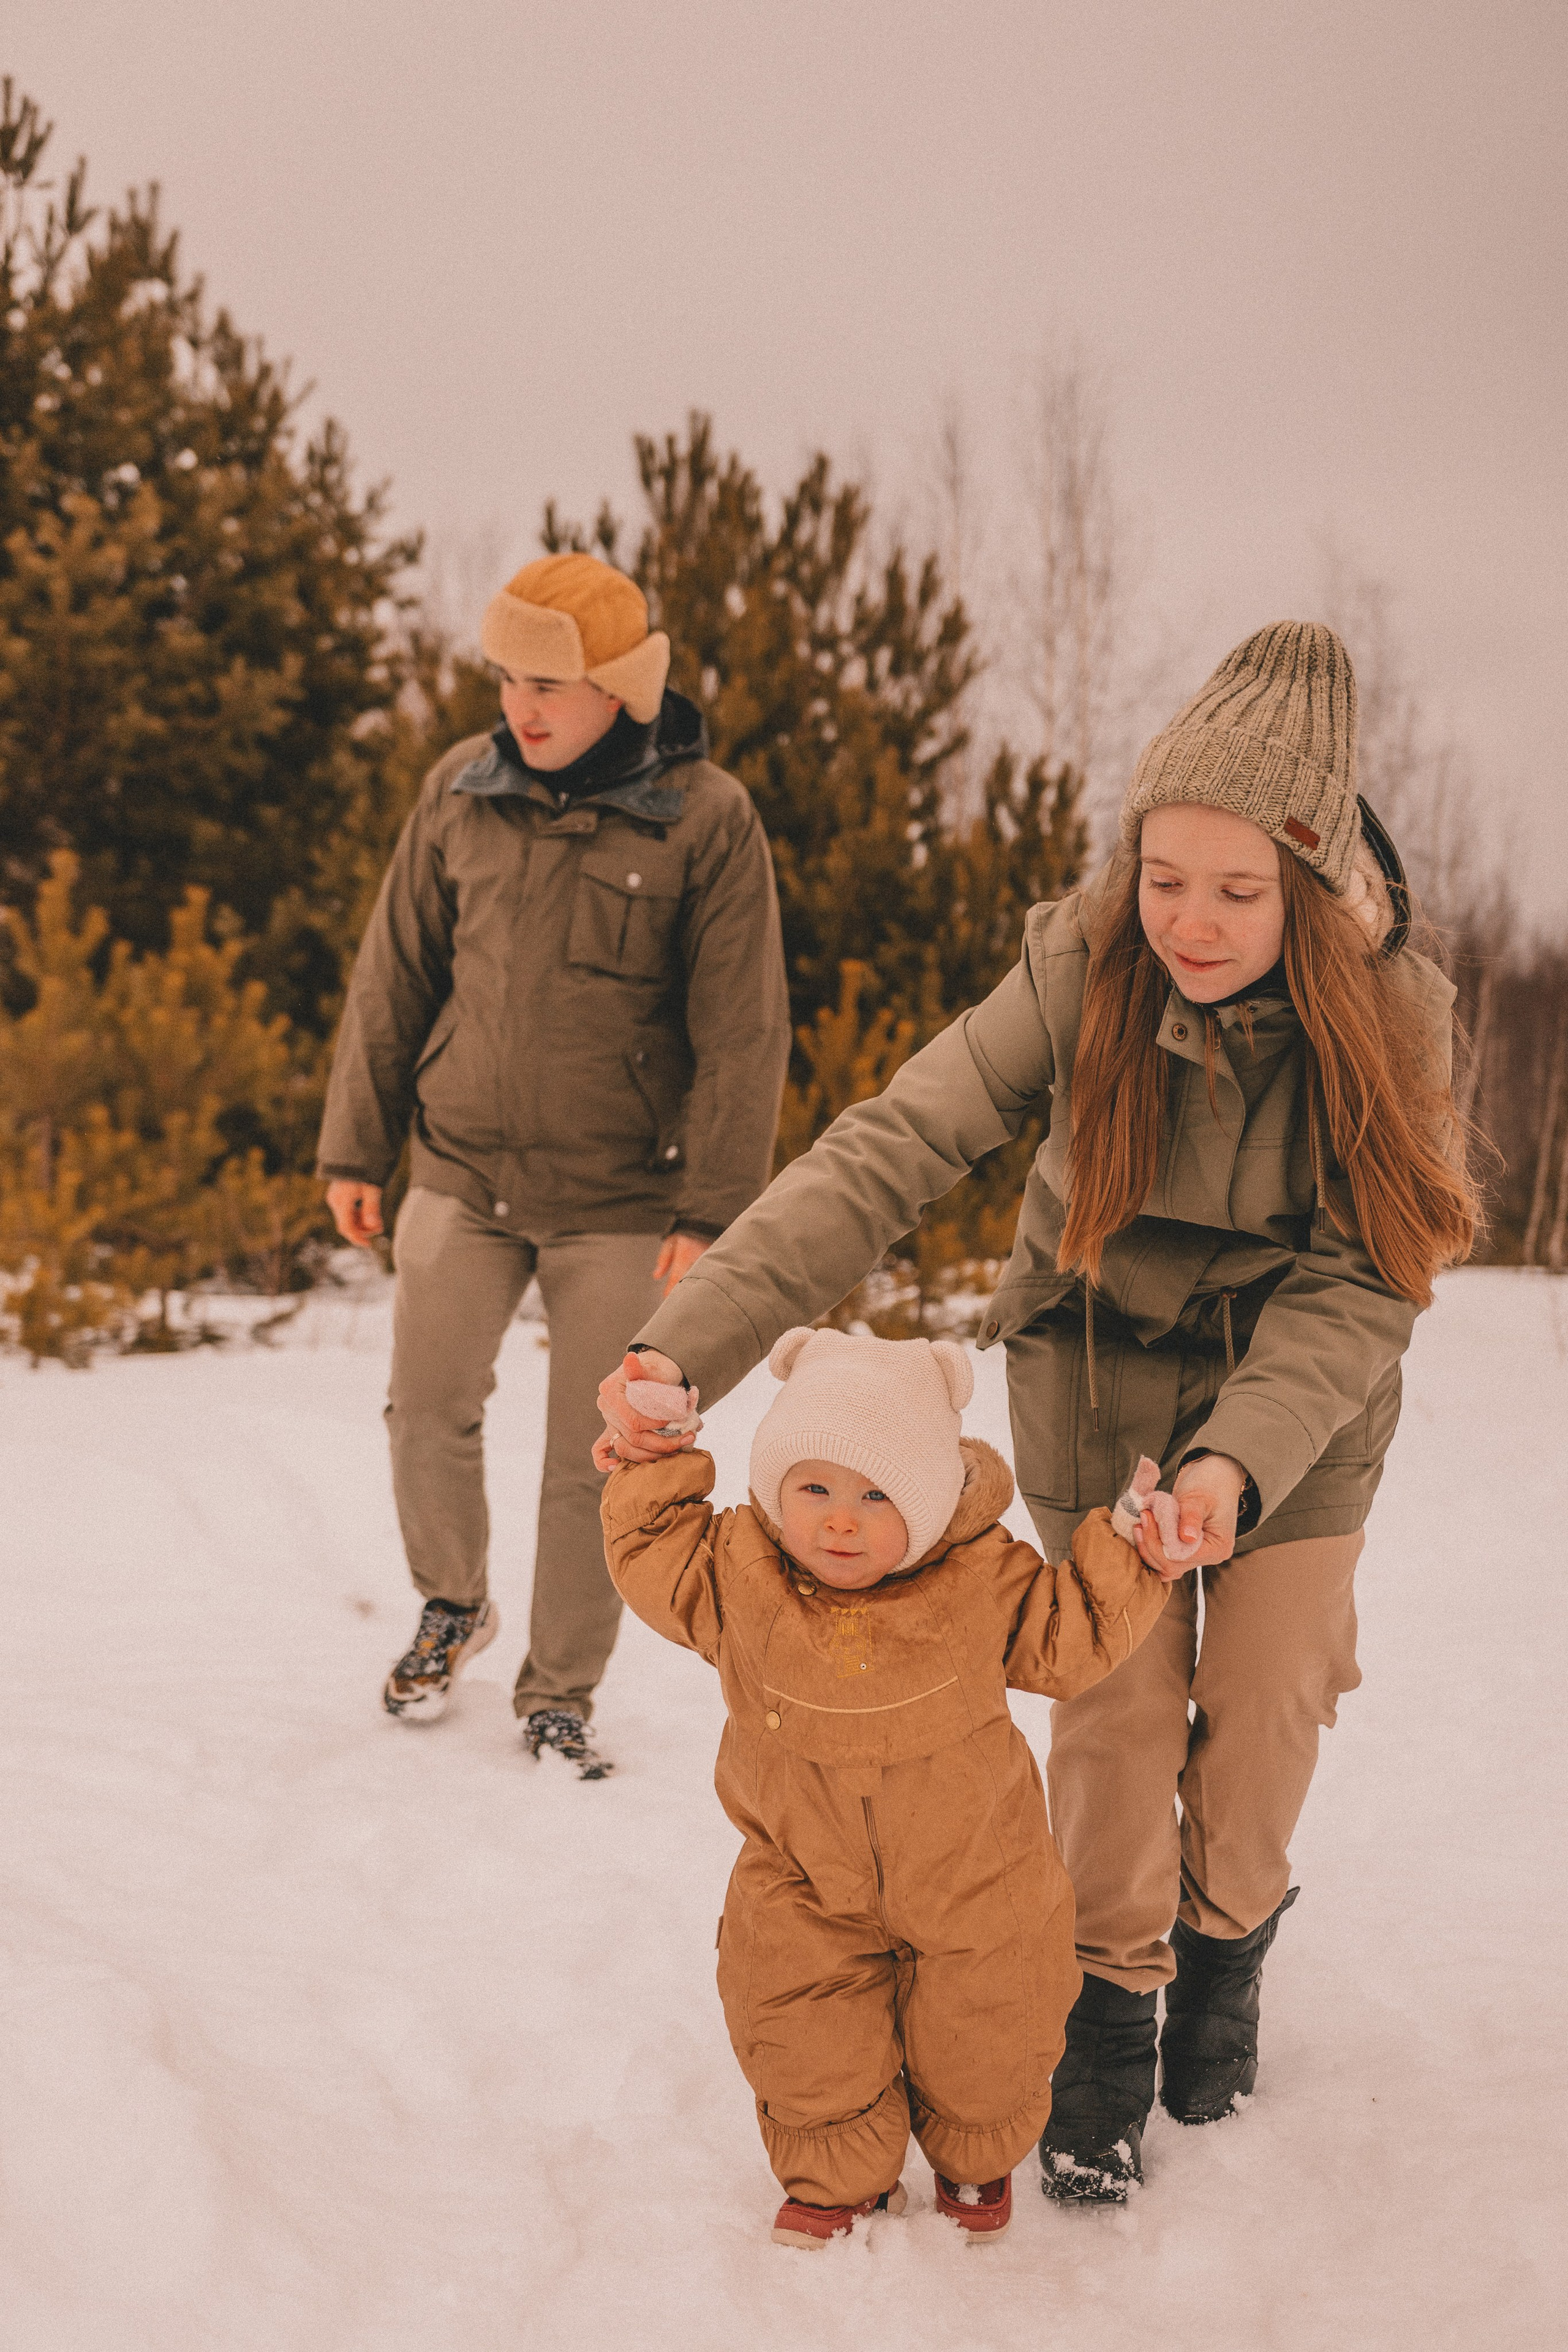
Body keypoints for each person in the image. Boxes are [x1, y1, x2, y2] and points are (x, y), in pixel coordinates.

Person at [597, 621, 1477, 2191]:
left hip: (1302, 1408)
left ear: (1307, 889)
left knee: (1262, 1708)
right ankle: (1109, 2004)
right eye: (1164, 877)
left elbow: (1365, 1281)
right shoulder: (1075, 968)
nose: (1189, 920)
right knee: (1115, 1708)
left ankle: (1223, 1949)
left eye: (1235, 889)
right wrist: (694, 1341)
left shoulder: (1388, 1018)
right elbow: (890, 1146)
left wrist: (1231, 1464)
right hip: (1097, 1376)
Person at [318, 552, 790, 1773]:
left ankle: (560, 1688)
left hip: (626, 1196)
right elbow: (394, 977)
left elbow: (740, 1029)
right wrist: (355, 1142)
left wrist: (713, 1210)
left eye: (550, 682)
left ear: (619, 689)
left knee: (592, 1460)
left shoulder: (707, 819)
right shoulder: (458, 793)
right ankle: (451, 1602)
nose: (520, 705)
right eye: (507, 677)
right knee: (425, 1407)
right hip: (460, 1168)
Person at [597, 1326, 1167, 2246]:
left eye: (876, 1495)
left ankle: (974, 2151)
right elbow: (656, 1545)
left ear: (934, 1502)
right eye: (813, 1487)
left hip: (974, 1871)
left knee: (991, 2025)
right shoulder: (739, 1573)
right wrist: (649, 1456)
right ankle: (836, 2175)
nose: (839, 1519)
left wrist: (1130, 1551)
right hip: (802, 1876)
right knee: (795, 2018)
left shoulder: (980, 1576)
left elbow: (1071, 1632)